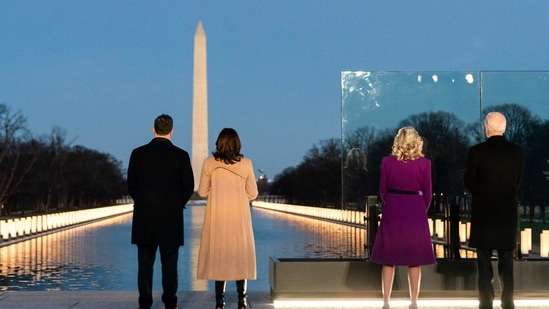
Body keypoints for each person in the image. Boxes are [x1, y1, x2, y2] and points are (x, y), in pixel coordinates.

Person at [127, 114, 195, 309]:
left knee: (145, 265)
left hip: (144, 217)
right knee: (170, 264)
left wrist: (142, 202)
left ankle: (145, 303)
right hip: (171, 217)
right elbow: (188, 186)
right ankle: (170, 303)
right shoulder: (181, 155)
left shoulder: (137, 153)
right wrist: (176, 204)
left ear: (153, 129)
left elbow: (131, 185)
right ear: (171, 131)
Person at [370, 126, 435, 309]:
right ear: (417, 141)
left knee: (388, 258)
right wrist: (421, 209)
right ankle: (413, 302)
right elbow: (428, 193)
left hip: (393, 208)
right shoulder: (425, 164)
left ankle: (386, 301)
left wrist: (392, 202)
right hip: (416, 210)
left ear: (398, 141)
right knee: (414, 260)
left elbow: (383, 191)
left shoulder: (387, 162)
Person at [463, 112, 523, 309]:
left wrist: (481, 195)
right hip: (507, 213)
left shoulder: (476, 151)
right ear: (503, 128)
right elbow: (518, 181)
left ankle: (486, 302)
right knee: (507, 263)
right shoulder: (516, 152)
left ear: (486, 128)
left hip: (484, 213)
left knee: (484, 262)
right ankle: (508, 302)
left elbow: (469, 182)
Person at [196, 128, 259, 309]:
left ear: (219, 143)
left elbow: (202, 191)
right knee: (240, 258)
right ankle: (242, 301)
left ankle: (219, 302)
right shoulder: (246, 164)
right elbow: (253, 193)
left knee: (218, 258)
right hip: (239, 217)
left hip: (217, 216)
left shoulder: (209, 163)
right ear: (237, 143)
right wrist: (238, 196)